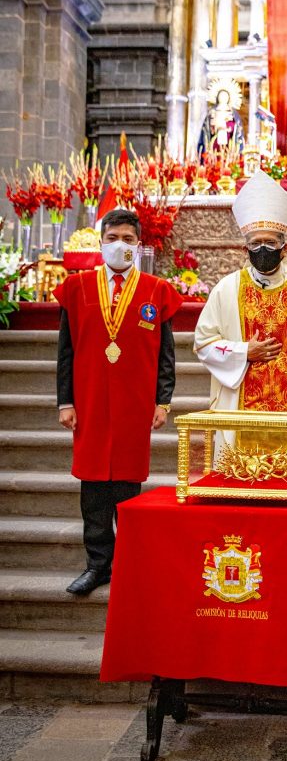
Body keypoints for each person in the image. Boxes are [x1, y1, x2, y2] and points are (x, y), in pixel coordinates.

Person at [55, 208, 182, 595]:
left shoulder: (155, 292)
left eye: (128, 239)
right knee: (93, 487)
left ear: (139, 245)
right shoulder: (77, 290)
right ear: (100, 242)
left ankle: (128, 562)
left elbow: (167, 353)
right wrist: (65, 402)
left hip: (134, 404)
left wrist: (164, 400)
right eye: (113, 238)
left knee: (127, 487)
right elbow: (66, 351)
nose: (120, 245)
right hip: (90, 402)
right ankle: (97, 564)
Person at [194, 169, 287, 444]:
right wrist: (244, 351)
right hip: (241, 405)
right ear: (244, 251)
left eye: (270, 242)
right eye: (255, 243)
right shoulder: (227, 289)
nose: (263, 249)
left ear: (285, 249)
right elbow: (203, 343)